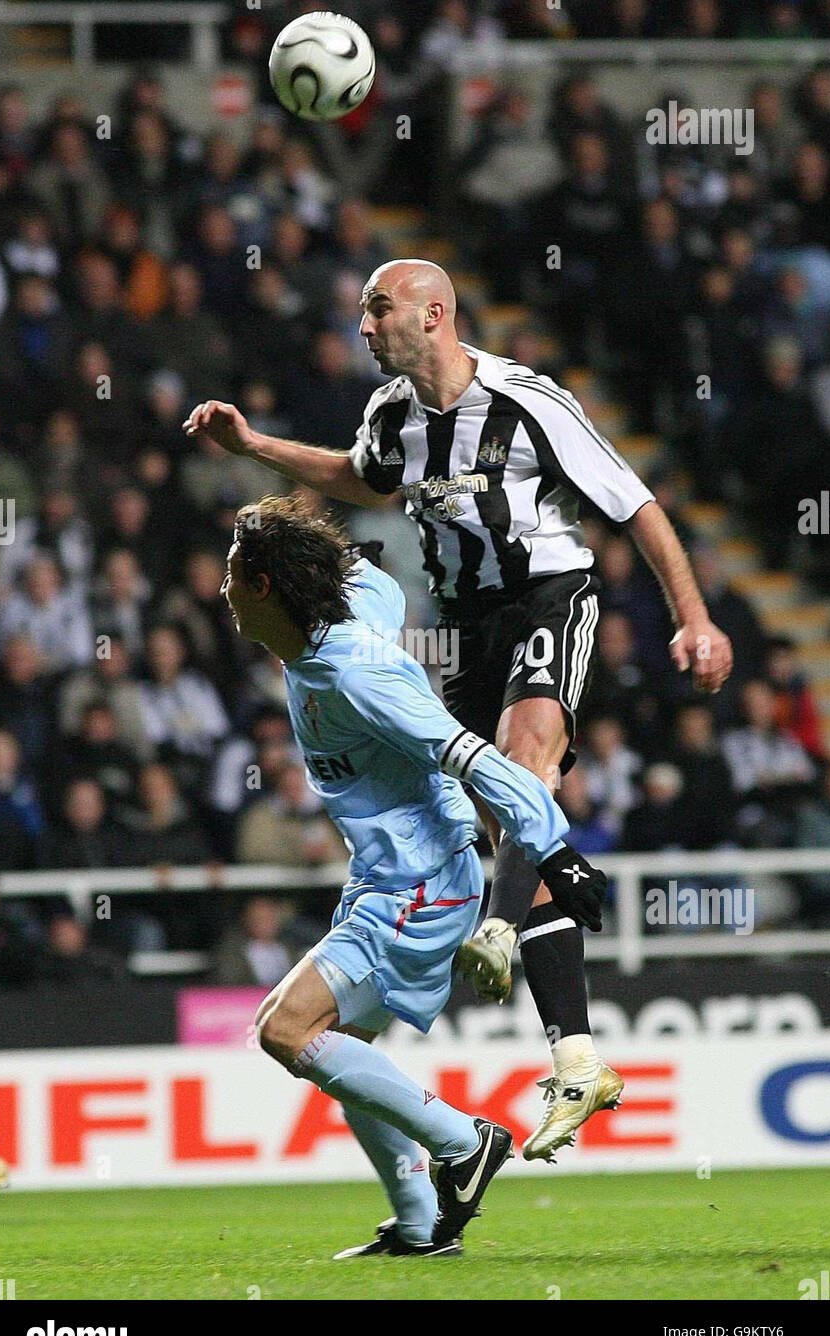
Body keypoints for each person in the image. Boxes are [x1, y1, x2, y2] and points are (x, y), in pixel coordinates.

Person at [183, 256, 732, 1161]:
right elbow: (367, 481)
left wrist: (697, 618)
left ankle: (501, 926)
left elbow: (637, 508)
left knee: (523, 766)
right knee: (513, 819)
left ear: (434, 315)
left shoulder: (527, 403)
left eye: (378, 310)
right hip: (469, 627)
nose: (364, 327)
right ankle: (578, 1055)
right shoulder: (393, 414)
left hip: (551, 597)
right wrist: (257, 450)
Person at [220, 495, 610, 1257]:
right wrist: (356, 558)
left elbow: (472, 757)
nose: (222, 588)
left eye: (234, 574)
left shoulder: (357, 675)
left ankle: (464, 1144)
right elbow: (378, 585)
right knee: (341, 1052)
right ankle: (423, 1226)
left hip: (421, 883)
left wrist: (555, 850)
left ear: (266, 588)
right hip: (386, 876)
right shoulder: (339, 609)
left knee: (284, 1029)